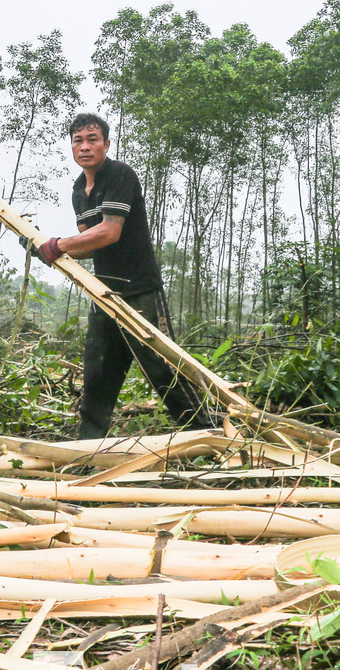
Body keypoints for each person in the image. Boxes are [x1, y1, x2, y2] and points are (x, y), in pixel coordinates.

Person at [24, 114, 209, 440]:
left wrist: (59, 245)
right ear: (71, 147)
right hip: (103, 294)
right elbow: (88, 245)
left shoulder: (120, 175)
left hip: (140, 291)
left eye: (92, 139)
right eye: (78, 141)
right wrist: (44, 248)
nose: (85, 147)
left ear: (106, 144)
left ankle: (207, 435)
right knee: (97, 375)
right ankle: (87, 447)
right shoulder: (79, 190)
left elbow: (109, 232)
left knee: (163, 370)